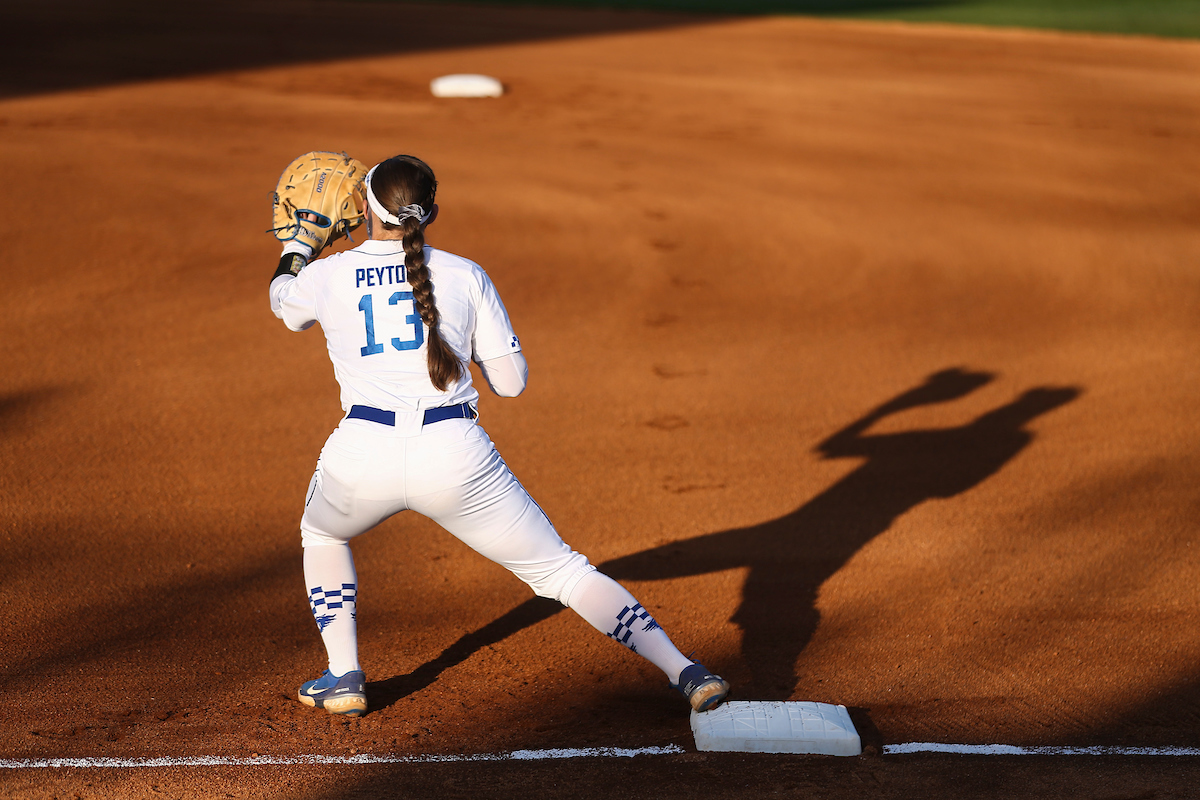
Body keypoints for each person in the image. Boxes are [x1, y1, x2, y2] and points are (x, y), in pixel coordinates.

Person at [269, 154, 729, 718]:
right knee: (562, 571)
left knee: (321, 534)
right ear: (431, 211)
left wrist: (299, 248)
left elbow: (283, 305)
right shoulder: (465, 274)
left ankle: (344, 675)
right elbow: (510, 385)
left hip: (360, 454)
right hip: (458, 460)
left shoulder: (325, 276)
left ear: (363, 206)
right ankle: (686, 670)